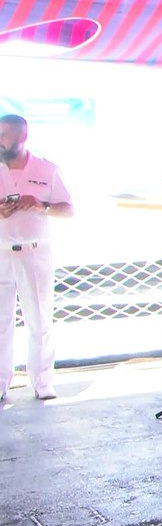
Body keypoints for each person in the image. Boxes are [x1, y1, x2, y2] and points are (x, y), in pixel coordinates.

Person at [0, 115, 73, 401]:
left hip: (35, 252)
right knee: (1, 323)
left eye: (4, 134)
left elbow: (68, 209)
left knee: (40, 320)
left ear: (22, 136)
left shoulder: (46, 168)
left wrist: (40, 205)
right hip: (1, 252)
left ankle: (43, 381)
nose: (0, 140)